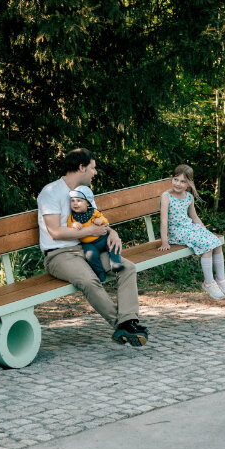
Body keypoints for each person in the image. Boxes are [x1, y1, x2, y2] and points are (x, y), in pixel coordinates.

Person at [37, 148, 150, 346]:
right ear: (81, 167)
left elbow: (98, 223)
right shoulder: (50, 192)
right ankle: (121, 325)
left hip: (87, 250)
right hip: (59, 255)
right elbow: (55, 232)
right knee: (89, 281)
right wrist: (89, 232)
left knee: (127, 268)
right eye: (92, 168)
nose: (95, 173)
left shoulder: (85, 193)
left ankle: (128, 320)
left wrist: (112, 233)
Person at [158, 164, 225, 300]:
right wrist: (164, 241)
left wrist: (204, 231)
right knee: (207, 246)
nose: (178, 184)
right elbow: (163, 220)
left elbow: (194, 217)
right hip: (176, 232)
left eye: (183, 181)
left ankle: (221, 280)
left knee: (216, 242)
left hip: (189, 228)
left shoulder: (189, 197)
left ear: (188, 184)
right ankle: (209, 283)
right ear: (171, 178)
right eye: (176, 179)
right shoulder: (166, 196)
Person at [67, 185, 125, 282]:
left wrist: (100, 220)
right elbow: (69, 226)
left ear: (88, 204)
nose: (75, 203)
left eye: (79, 200)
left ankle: (115, 263)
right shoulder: (72, 217)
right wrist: (74, 224)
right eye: (72, 200)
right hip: (88, 244)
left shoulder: (93, 212)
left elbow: (105, 220)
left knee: (111, 244)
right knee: (90, 255)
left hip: (101, 238)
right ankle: (100, 273)